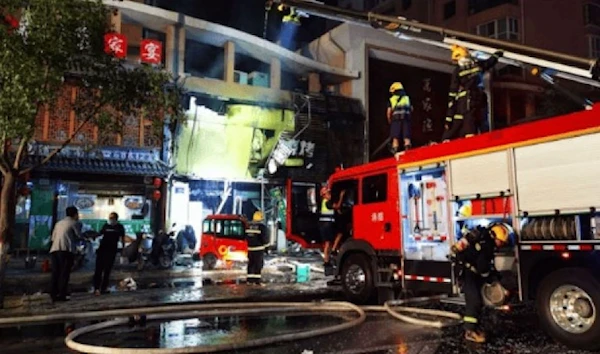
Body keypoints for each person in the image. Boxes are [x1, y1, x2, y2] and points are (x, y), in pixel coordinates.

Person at [449, 223, 512, 343]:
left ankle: (475, 328)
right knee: (474, 301)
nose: (502, 245)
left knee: (477, 301)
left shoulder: (484, 239)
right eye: (501, 242)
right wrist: (492, 279)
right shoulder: (487, 245)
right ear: (496, 238)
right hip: (468, 272)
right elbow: (483, 267)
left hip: (469, 271)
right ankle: (470, 332)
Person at [443, 45, 503, 141]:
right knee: (473, 124)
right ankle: (479, 138)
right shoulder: (467, 68)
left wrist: (497, 55)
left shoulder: (469, 67)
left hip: (474, 99)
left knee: (478, 122)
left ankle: (483, 138)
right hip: (471, 100)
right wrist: (497, 54)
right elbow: (453, 92)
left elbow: (489, 63)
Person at [49, 206, 82, 302]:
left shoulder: (58, 223)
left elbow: (53, 238)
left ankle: (53, 294)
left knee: (55, 273)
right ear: (75, 214)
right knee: (64, 273)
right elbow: (79, 236)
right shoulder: (74, 223)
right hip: (66, 250)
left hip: (54, 250)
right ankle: (62, 295)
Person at [93, 212, 125, 295]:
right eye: (110, 218)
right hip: (102, 250)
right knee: (98, 270)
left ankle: (103, 288)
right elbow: (100, 234)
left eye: (113, 218)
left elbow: (122, 238)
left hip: (112, 251)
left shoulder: (120, 227)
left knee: (107, 270)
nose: (111, 219)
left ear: (116, 219)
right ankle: (96, 288)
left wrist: (123, 249)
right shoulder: (105, 226)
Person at [387, 82, 412, 156]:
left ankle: (395, 153)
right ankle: (408, 152)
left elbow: (388, 112)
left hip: (396, 120)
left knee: (395, 138)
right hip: (406, 119)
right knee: (407, 138)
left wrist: (389, 120)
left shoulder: (391, 99)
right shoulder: (407, 98)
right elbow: (411, 109)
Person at [245, 211, 269, 285]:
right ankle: (257, 281)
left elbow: (246, 237)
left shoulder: (248, 226)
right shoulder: (262, 227)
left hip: (250, 249)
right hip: (259, 249)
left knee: (251, 264)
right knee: (258, 265)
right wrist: (266, 248)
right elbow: (264, 238)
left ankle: (249, 280)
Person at [319, 187, 335, 266]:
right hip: (327, 225)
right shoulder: (327, 203)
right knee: (328, 243)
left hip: (324, 225)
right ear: (324, 195)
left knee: (327, 243)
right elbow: (336, 206)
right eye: (328, 194)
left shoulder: (324, 202)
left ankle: (327, 259)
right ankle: (326, 260)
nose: (330, 195)